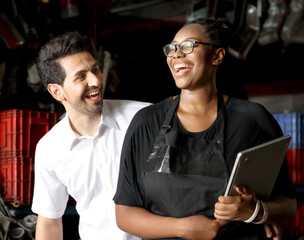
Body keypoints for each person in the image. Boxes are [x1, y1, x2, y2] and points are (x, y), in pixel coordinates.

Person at [114, 17, 297, 240]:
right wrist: (182, 228)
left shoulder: (253, 121)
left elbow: (288, 207)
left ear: (217, 56)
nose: (176, 54)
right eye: (172, 48)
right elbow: (124, 214)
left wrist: (256, 212)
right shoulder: (146, 123)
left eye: (188, 46)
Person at [31, 31, 151, 240]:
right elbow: (49, 222)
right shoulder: (50, 148)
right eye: (81, 76)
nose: (95, 81)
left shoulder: (143, 118)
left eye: (95, 69)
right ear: (57, 92)